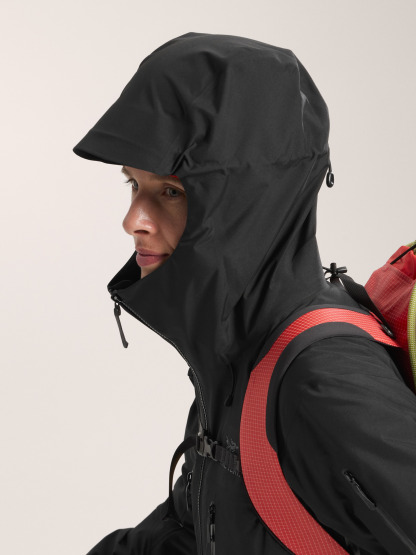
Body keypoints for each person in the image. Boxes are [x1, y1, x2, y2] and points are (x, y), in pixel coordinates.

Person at [73, 32, 416, 555]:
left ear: (250, 203)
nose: (133, 220)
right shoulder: (240, 355)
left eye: (171, 191)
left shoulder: (323, 383)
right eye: (133, 186)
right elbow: (188, 529)